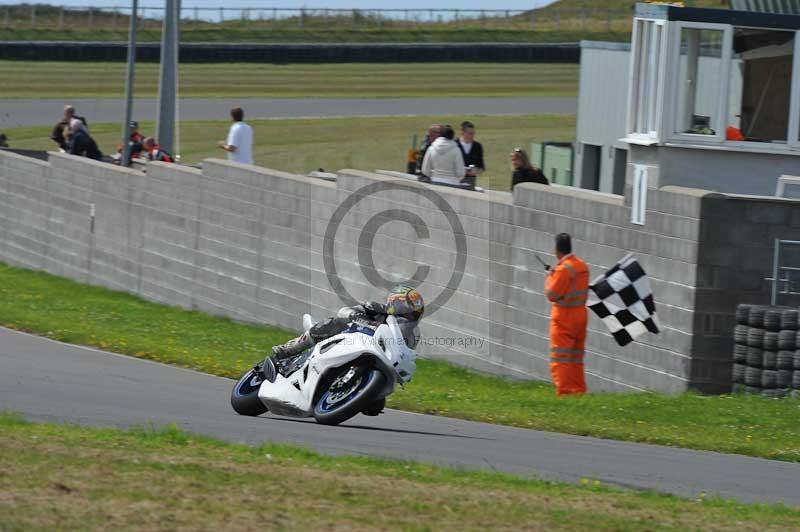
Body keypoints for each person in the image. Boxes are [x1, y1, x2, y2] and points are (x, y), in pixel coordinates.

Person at [270, 285, 424, 362]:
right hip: (346, 340)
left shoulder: (412, 335)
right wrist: (357, 316)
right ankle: (291, 348)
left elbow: (405, 357)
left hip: (374, 357)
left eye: (413, 312)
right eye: (406, 310)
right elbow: (344, 312)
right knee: (335, 322)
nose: (408, 315)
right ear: (394, 304)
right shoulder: (375, 309)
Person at [543, 233, 589, 396]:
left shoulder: (563, 270)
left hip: (564, 318)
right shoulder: (582, 266)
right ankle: (578, 390)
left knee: (560, 358)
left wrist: (550, 277)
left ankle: (565, 392)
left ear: (557, 250)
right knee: (576, 356)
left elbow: (551, 294)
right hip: (581, 316)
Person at [457, 121, 485, 187]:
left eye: (473, 133)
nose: (472, 135)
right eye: (470, 133)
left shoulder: (478, 146)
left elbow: (481, 168)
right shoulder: (455, 144)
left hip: (470, 183)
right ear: (462, 132)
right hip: (456, 181)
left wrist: (475, 171)